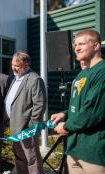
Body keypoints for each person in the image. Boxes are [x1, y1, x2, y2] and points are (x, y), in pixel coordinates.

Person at [51, 30, 105, 174]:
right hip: (74, 149)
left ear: (96, 46)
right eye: (75, 45)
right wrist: (65, 114)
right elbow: (80, 105)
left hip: (93, 152)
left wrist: (67, 126)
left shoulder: (102, 72)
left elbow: (92, 111)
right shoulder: (82, 73)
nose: (76, 48)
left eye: (81, 44)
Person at [5, 51, 46, 174]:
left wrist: (31, 126)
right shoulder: (16, 78)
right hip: (15, 127)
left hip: (26, 129)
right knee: (20, 159)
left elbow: (39, 104)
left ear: (26, 65)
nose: (13, 68)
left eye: (17, 66)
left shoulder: (35, 79)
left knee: (32, 159)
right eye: (12, 64)